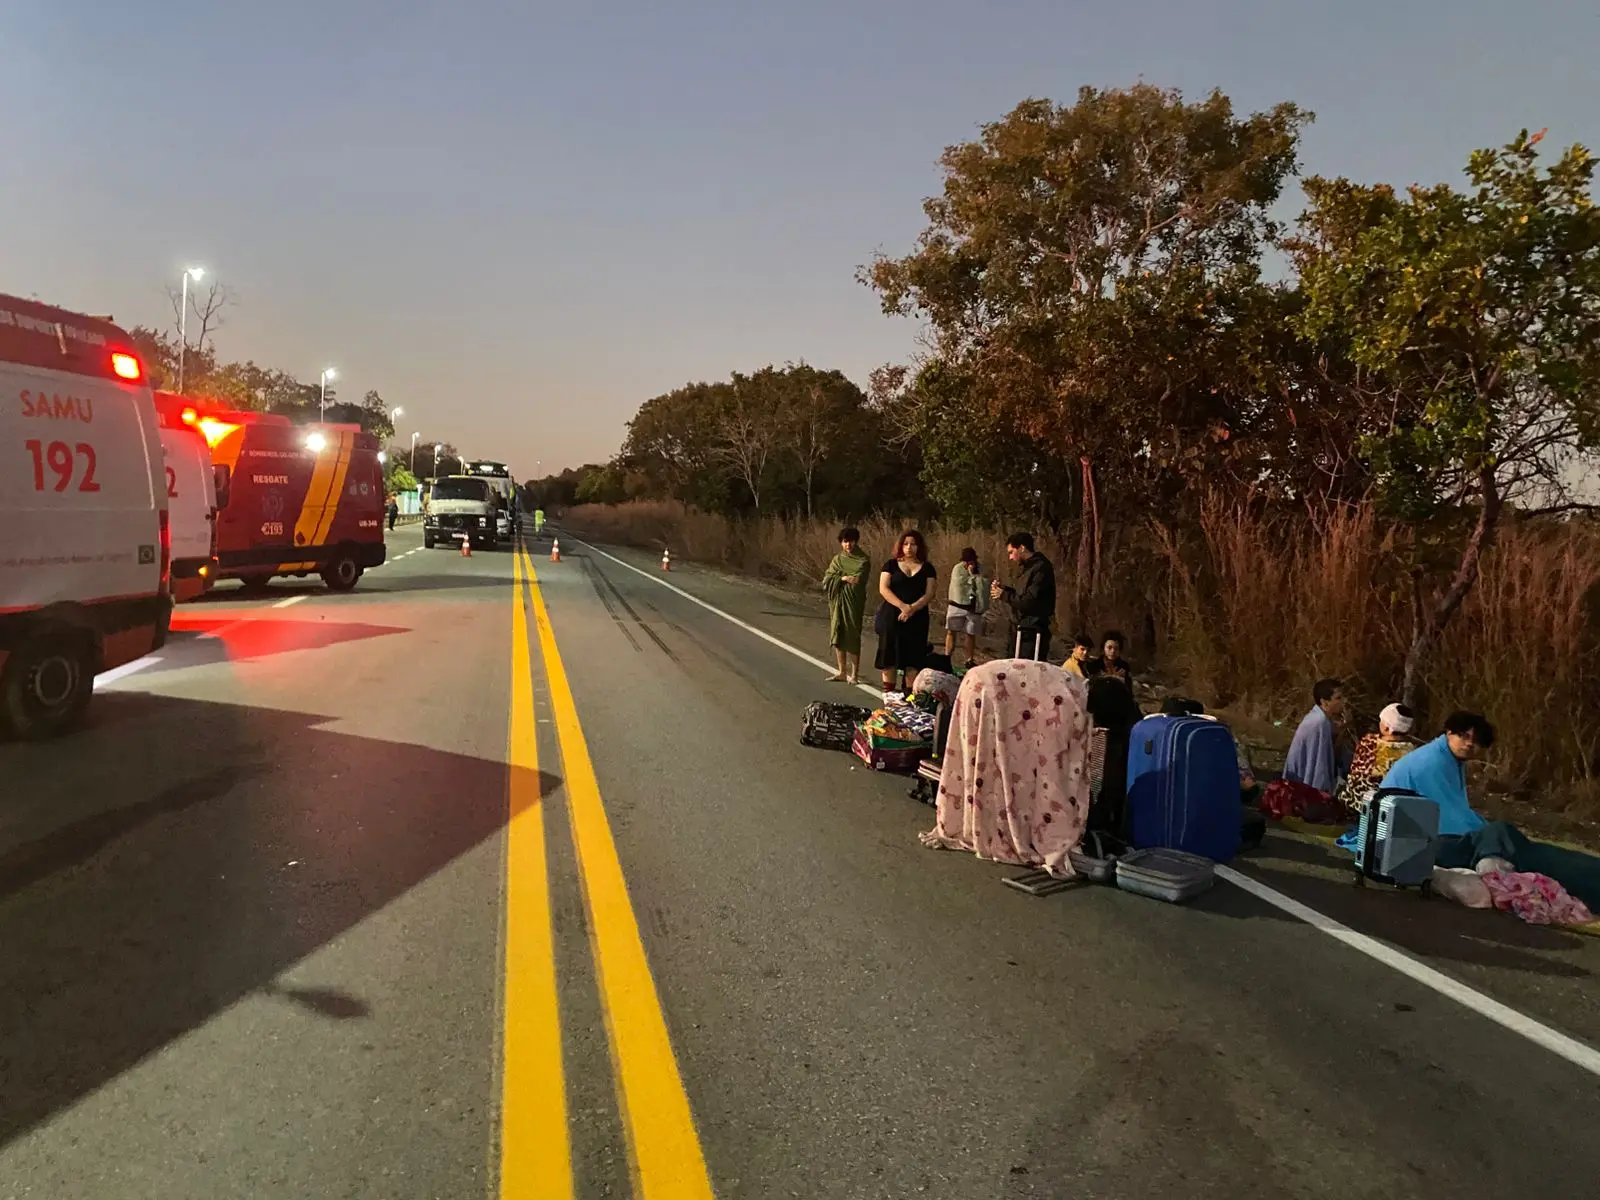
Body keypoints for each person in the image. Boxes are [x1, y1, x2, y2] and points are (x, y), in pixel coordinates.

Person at [918, 658, 1091, 875]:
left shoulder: (1070, 682)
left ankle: (975, 823)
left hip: (977, 684)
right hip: (993, 691)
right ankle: (998, 829)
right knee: (1005, 763)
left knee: (983, 761)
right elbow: (1053, 758)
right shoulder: (1073, 701)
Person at [875, 529, 937, 694]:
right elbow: (883, 588)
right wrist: (903, 606)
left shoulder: (928, 568)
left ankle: (909, 697)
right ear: (900, 546)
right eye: (906, 544)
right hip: (892, 616)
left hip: (917, 619)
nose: (909, 547)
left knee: (913, 661)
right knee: (889, 659)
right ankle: (889, 697)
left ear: (919, 547)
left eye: (913, 544)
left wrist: (912, 608)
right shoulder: (890, 565)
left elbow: (930, 593)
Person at [1334, 702, 1419, 812]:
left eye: (1381, 720)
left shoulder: (1369, 743)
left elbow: (1355, 771)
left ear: (1387, 728)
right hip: (1391, 808)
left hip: (1357, 802)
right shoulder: (1412, 753)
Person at [989, 532, 1056, 661]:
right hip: (1019, 629)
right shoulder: (1026, 568)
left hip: (1032, 633)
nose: (1010, 557)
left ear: (1022, 548)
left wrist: (1004, 595)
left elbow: (1029, 601)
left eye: (1011, 552)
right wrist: (1004, 589)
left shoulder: (1041, 568)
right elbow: (1021, 594)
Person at [821, 527, 871, 684]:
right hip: (837, 601)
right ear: (841, 543)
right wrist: (843, 578)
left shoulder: (863, 560)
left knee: (852, 634)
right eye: (845, 541)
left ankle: (854, 675)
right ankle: (842, 672)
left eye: (851, 541)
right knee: (839, 632)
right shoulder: (837, 559)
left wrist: (845, 578)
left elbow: (858, 579)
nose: (848, 544)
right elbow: (827, 579)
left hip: (853, 602)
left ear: (856, 541)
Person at [1283, 677, 1346, 795]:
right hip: (1300, 783)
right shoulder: (1319, 722)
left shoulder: (1321, 718)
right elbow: (1319, 764)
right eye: (1338, 698)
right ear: (1324, 702)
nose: (1342, 701)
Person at [943, 547, 986, 668]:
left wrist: (973, 575)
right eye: (966, 561)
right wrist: (972, 579)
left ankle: (969, 660)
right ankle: (947, 657)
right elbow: (959, 585)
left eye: (971, 561)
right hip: (956, 604)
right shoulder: (958, 568)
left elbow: (983, 585)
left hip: (973, 607)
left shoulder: (981, 569)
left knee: (970, 633)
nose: (968, 564)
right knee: (951, 631)